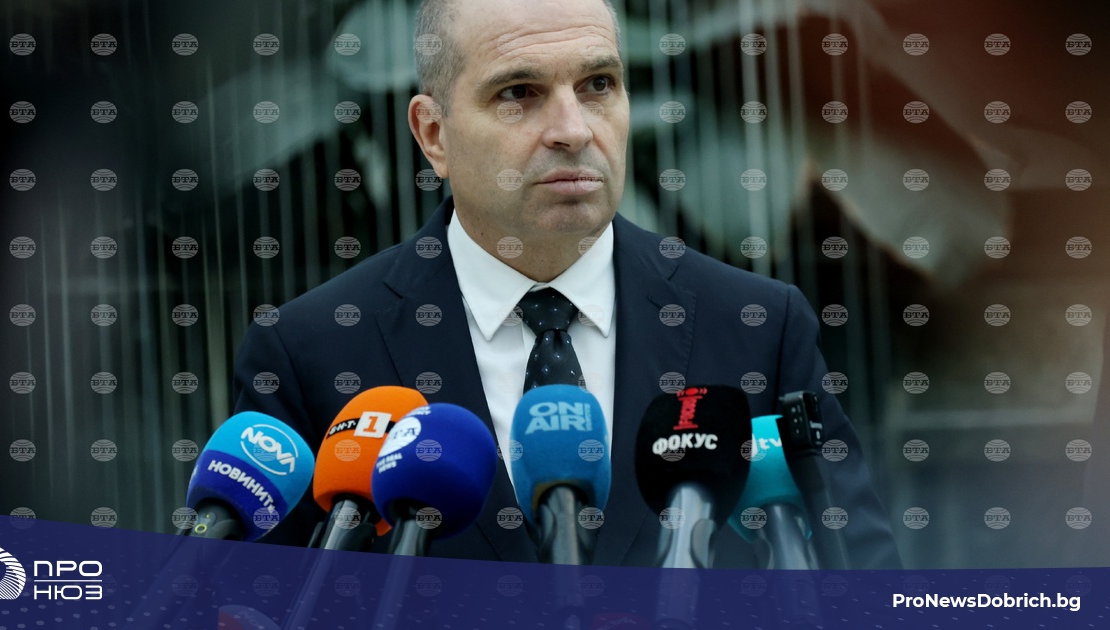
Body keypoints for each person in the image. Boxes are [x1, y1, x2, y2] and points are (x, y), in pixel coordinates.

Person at [233, 0, 900, 568]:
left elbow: (865, 585)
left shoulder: (756, 326)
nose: (574, 130)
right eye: (518, 93)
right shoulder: (312, 351)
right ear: (433, 134)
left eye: (598, 84)